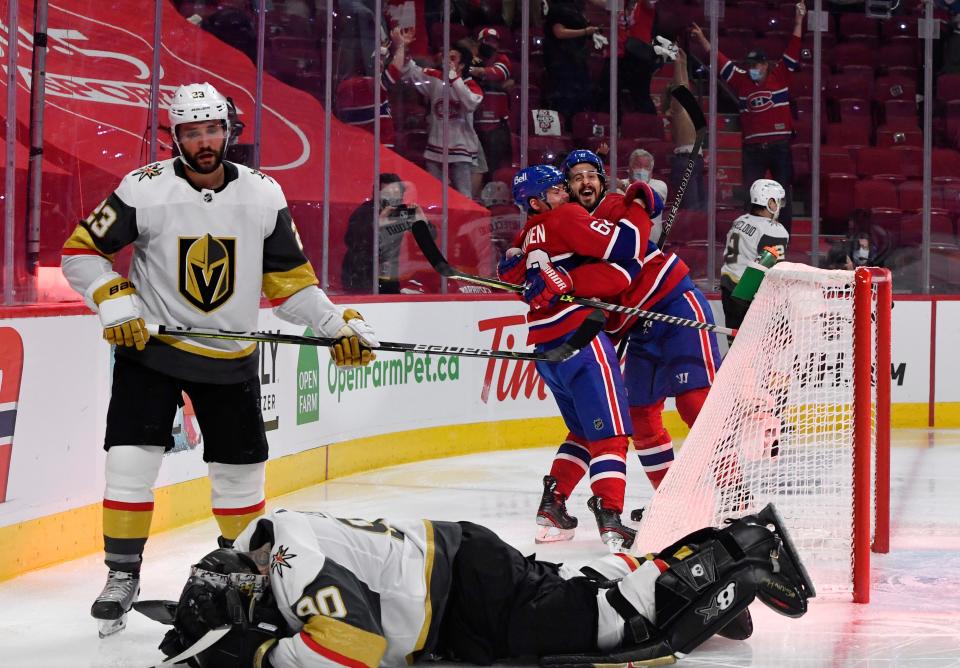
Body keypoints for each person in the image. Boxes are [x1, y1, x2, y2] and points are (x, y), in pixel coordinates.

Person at [60, 82, 379, 638]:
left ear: (229, 131)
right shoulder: (143, 189)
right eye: (190, 132)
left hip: (231, 355)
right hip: (151, 350)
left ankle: (240, 576)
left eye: (211, 130)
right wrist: (116, 301)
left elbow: (289, 284)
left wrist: (337, 323)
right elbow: (82, 252)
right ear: (174, 136)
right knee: (130, 464)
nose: (203, 142)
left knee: (238, 477)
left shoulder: (262, 194)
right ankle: (122, 573)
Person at [158, 503, 814, 667]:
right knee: (582, 610)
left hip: (462, 585)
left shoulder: (289, 556)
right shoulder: (279, 542)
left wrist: (259, 656)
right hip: (456, 596)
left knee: (598, 626)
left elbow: (347, 649)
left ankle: (745, 546)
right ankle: (712, 568)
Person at [501, 164, 652, 550]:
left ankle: (553, 506)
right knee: (613, 433)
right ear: (536, 201)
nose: (565, 193)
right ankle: (611, 516)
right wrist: (639, 205)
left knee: (585, 431)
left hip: (547, 351)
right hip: (580, 336)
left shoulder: (524, 234)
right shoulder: (567, 216)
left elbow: (511, 273)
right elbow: (627, 245)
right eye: (555, 189)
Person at [561, 149, 721, 496]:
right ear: (568, 187)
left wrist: (638, 192)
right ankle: (670, 498)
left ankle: (732, 489)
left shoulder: (611, 206)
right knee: (639, 414)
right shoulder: (568, 230)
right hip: (641, 326)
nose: (585, 181)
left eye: (591, 174)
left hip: (674, 304)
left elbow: (646, 200)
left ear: (602, 183)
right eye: (577, 177)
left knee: (693, 400)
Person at [690, 0, 806, 232]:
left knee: (782, 192)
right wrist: (702, 40)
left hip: (779, 146)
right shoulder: (742, 81)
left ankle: (783, 236)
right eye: (750, 64)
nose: (753, 68)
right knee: (750, 194)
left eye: (757, 65)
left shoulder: (780, 76)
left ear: (765, 65)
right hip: (753, 149)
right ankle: (751, 234)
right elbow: (720, 61)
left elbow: (793, 47)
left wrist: (799, 21)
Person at [388, 28, 484, 198]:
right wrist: (403, 47)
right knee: (434, 195)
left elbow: (470, 103)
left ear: (462, 65)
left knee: (464, 196)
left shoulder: (471, 85)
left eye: (453, 58)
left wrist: (453, 77)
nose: (447, 60)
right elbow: (409, 72)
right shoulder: (435, 77)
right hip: (435, 150)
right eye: (447, 56)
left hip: (461, 152)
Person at [721, 178, 791, 338]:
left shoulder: (739, 221)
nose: (780, 206)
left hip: (728, 289)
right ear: (770, 203)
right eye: (778, 201)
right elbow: (774, 271)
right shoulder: (775, 229)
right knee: (765, 350)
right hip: (747, 294)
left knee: (736, 348)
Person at [341, 173, 432, 293]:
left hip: (388, 275)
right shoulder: (364, 212)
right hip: (362, 276)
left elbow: (428, 240)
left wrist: (423, 221)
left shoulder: (400, 212)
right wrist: (379, 222)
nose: (392, 197)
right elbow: (354, 241)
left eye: (396, 192)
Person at [543, 0, 599, 126]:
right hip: (561, 60)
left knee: (581, 96)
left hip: (576, 59)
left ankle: (577, 127)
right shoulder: (557, 9)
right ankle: (563, 126)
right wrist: (585, 31)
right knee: (564, 97)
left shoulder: (576, 10)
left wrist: (591, 34)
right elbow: (559, 32)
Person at [663, 47, 705, 211]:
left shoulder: (687, 108)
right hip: (686, 161)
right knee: (692, 210)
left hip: (695, 161)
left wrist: (684, 63)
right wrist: (677, 64)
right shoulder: (677, 109)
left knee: (701, 211)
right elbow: (680, 87)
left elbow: (684, 86)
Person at [470, 27, 514, 184]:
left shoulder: (502, 58)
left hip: (497, 126)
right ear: (480, 42)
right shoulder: (471, 58)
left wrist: (479, 72)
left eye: (495, 42)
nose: (491, 45)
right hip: (475, 124)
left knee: (495, 167)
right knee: (477, 166)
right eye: (488, 41)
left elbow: (500, 73)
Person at [619, 148, 669, 242]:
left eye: (646, 167)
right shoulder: (617, 187)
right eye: (638, 165)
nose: (642, 170)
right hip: (626, 242)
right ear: (629, 168)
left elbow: (646, 199)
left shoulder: (660, 186)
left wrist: (623, 186)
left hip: (652, 245)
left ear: (651, 173)